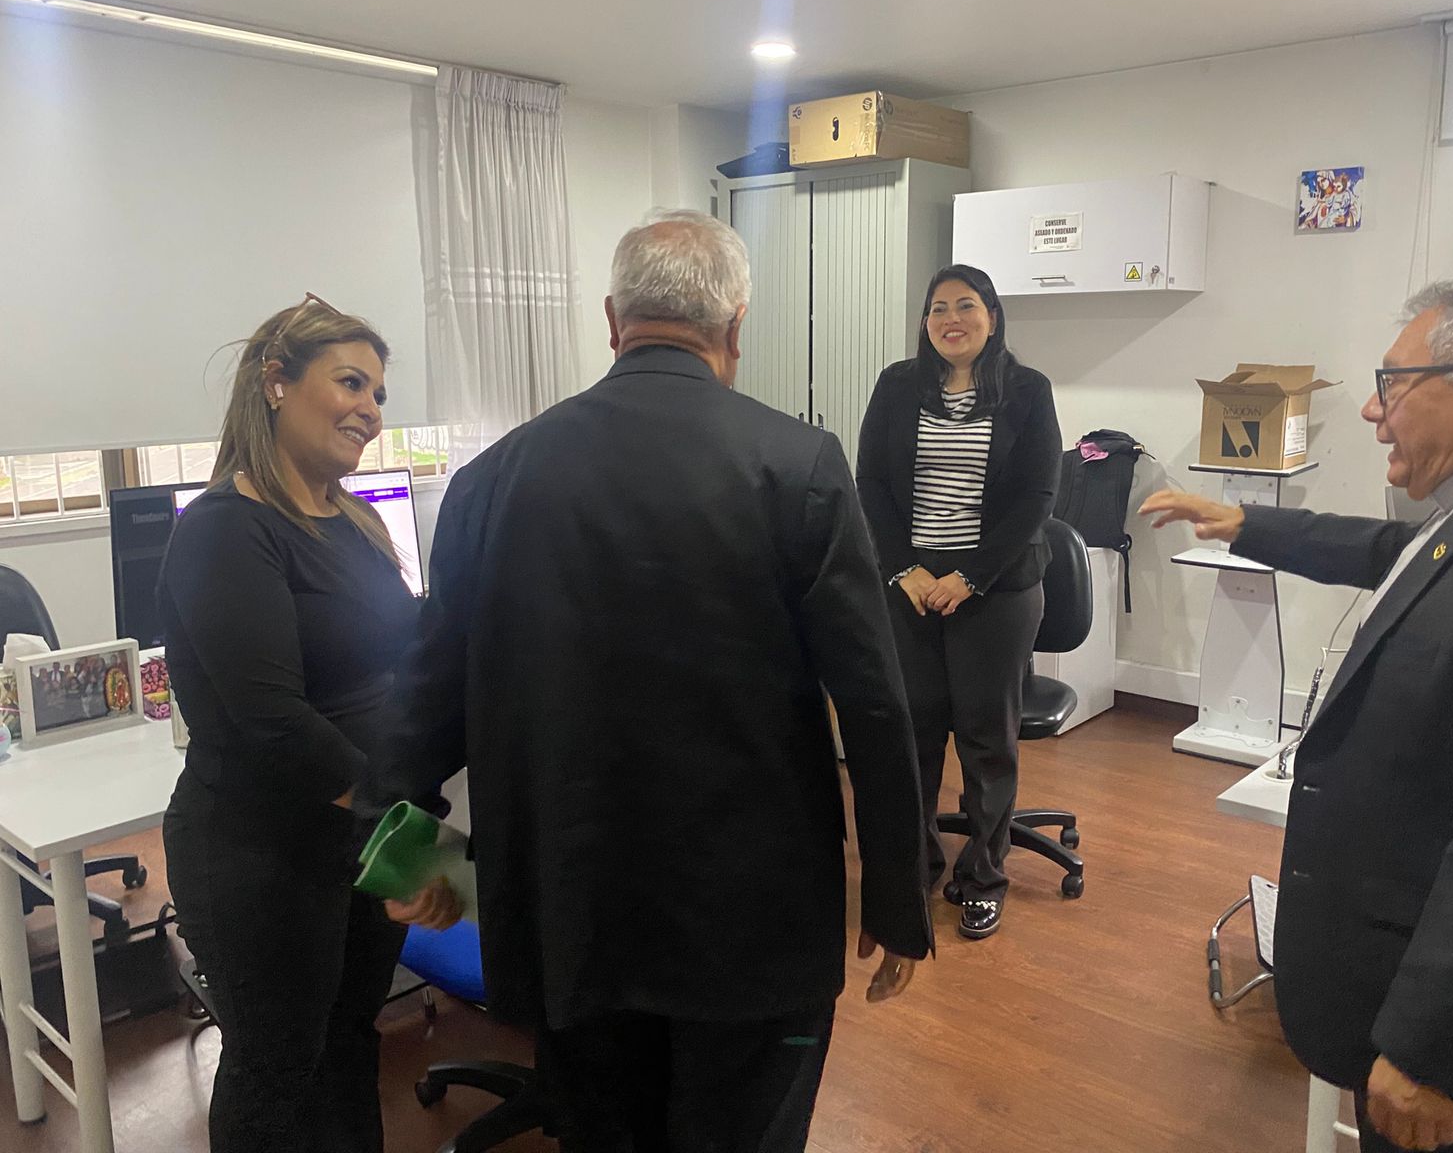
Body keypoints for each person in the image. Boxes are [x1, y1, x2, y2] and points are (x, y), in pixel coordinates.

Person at [372, 210, 932, 1151]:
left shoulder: (490, 479)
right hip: (750, 914)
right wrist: (895, 894)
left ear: (611, 320)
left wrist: (404, 857)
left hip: (566, 907)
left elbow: (428, 690)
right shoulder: (798, 465)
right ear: (736, 328)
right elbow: (873, 700)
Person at [1140, 276, 1453, 1153]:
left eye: (1393, 383)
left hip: (1452, 1027)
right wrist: (1243, 522)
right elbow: (1396, 550)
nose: (1371, 411)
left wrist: (1432, 1051)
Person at [159, 294, 452, 1153]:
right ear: (275, 383)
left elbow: (406, 655)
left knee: (350, 1040)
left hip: (354, 839)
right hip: (261, 854)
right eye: (351, 383)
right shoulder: (225, 530)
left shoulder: (353, 521)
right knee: (279, 1066)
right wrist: (404, 838)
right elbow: (273, 723)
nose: (371, 409)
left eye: (379, 394)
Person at [855, 264, 1062, 940]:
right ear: (925, 322)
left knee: (985, 739)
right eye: (938, 308)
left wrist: (971, 576)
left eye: (966, 305)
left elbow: (1036, 497)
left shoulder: (1027, 391)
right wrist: (905, 570)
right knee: (911, 732)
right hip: (911, 586)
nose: (951, 319)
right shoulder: (897, 385)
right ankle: (914, 866)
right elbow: (871, 482)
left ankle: (983, 878)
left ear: (992, 317)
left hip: (995, 589)